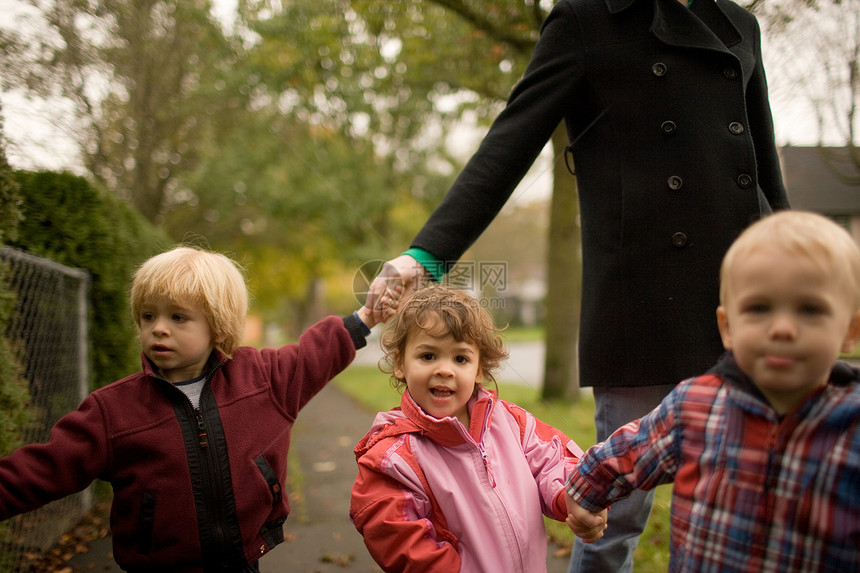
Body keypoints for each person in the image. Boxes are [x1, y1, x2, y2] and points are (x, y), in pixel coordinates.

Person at [365, 0, 790, 570]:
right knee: (614, 512)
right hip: (640, 302)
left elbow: (763, 167)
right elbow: (512, 138)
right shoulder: (587, 20)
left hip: (744, 297)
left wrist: (803, 276)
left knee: (724, 512)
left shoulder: (740, 25)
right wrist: (427, 254)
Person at [0, 245, 381, 572]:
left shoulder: (263, 380)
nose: (158, 329)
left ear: (217, 325)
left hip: (244, 561)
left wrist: (366, 317)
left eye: (177, 317)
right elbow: (41, 471)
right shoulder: (112, 411)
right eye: (149, 316)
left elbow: (315, 354)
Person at [565, 211, 860, 572]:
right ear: (727, 326)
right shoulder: (698, 404)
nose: (782, 328)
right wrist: (584, 491)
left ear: (850, 330)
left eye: (810, 310)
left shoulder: (852, 429)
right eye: (759, 308)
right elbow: (630, 451)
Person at [350, 284, 606, 572]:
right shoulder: (393, 459)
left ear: (479, 369)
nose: (444, 370)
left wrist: (577, 497)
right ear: (400, 363)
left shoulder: (510, 423)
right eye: (428, 356)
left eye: (460, 359)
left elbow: (553, 463)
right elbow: (402, 543)